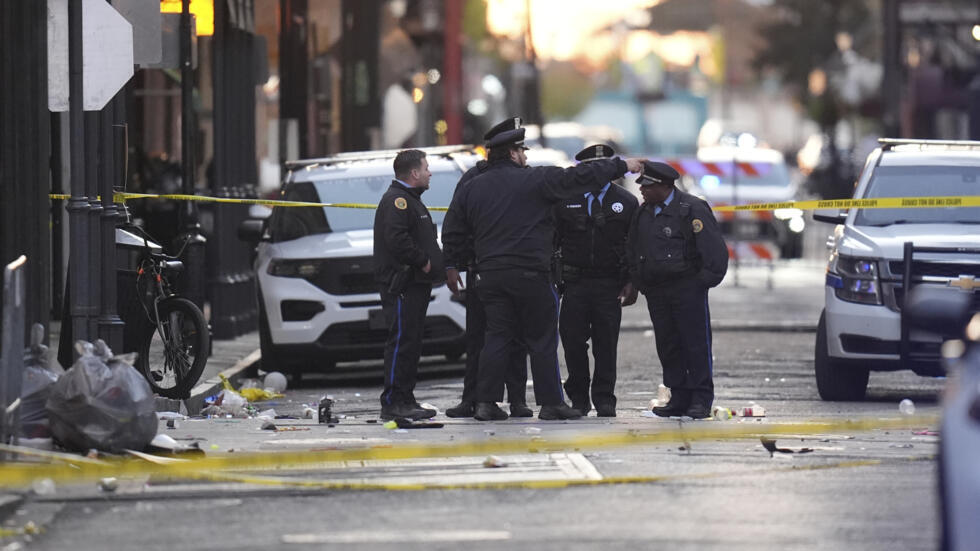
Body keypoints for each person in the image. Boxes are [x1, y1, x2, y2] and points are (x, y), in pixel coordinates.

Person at [442, 126, 644, 421]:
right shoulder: (537, 180)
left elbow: (454, 227)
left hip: (490, 275)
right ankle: (551, 403)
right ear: (512, 153)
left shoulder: (473, 186)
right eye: (522, 150)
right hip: (530, 275)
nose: (525, 155)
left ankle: (485, 402)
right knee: (541, 339)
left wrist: (452, 265)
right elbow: (579, 177)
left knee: (496, 337)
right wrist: (622, 165)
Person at [443, 118, 531, 419]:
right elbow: (454, 225)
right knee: (478, 337)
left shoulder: (525, 177)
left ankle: (517, 399)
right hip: (480, 268)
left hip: (509, 269)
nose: (524, 155)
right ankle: (473, 398)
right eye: (519, 149)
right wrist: (452, 264)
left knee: (517, 338)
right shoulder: (473, 179)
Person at [627, 161, 728, 419]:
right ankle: (679, 396)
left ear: (664, 185)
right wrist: (640, 282)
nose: (642, 190)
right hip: (658, 291)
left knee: (694, 343)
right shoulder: (644, 213)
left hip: (686, 288)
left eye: (647, 186)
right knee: (668, 344)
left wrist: (700, 283)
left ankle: (700, 398)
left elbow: (714, 251)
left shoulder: (691, 208)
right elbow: (634, 249)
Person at [554, 144, 639, 418]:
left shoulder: (626, 201)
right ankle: (578, 398)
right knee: (573, 343)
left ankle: (604, 399)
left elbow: (633, 246)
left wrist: (631, 281)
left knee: (606, 344)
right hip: (575, 283)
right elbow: (553, 240)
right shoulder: (566, 199)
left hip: (608, 283)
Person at [373, 149, 445, 420]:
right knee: (402, 341)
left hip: (415, 284)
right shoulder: (398, 201)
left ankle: (406, 398)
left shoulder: (409, 199)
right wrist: (423, 260)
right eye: (426, 168)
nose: (429, 173)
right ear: (414, 173)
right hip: (404, 283)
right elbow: (397, 239)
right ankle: (392, 402)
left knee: (411, 342)